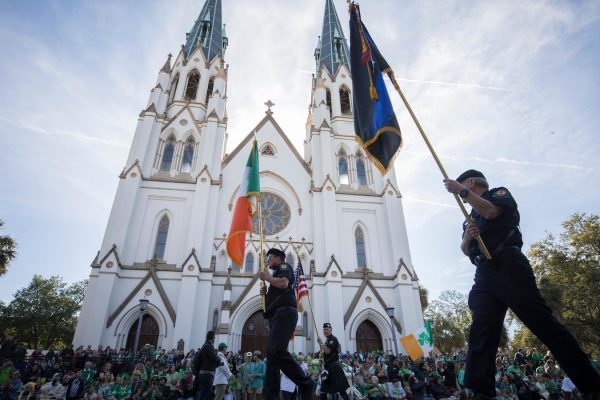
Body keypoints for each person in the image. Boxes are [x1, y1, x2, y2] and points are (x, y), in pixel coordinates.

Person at [444, 169, 600, 399]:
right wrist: (467, 238)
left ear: (472, 181)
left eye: (462, 186)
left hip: (508, 264)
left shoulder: (498, 194)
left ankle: (591, 384)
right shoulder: (468, 218)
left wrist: (462, 192)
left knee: (542, 323)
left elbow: (491, 212)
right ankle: (479, 390)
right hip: (484, 272)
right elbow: (465, 249)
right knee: (481, 329)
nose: (458, 195)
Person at [259, 248, 313, 400]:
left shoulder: (284, 267)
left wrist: (267, 277)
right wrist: (266, 296)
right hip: (276, 316)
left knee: (277, 351)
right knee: (272, 360)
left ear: (278, 257)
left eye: (270, 257)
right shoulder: (275, 275)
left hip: (285, 314)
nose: (268, 260)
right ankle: (271, 396)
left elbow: (283, 284)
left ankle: (305, 382)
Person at [318, 323, 350, 400]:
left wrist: (321, 343)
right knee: (324, 390)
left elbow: (328, 351)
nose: (325, 331)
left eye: (326, 329)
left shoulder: (333, 339)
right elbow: (325, 354)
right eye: (324, 329)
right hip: (327, 368)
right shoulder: (327, 341)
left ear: (331, 330)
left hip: (334, 368)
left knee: (341, 390)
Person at [193, 331, 221, 400]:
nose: (214, 338)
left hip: (203, 373)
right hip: (207, 373)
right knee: (206, 393)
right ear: (212, 338)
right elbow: (213, 357)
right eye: (214, 337)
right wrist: (219, 359)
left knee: (204, 393)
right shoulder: (208, 346)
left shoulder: (204, 345)